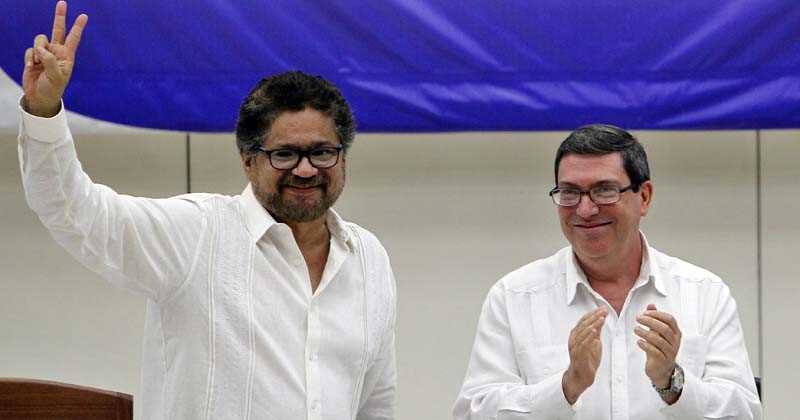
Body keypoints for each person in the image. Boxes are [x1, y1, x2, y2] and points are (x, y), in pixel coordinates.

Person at [18, 2, 396, 419]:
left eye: (322, 152)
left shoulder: (369, 258)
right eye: (285, 154)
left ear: (343, 157)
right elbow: (72, 211)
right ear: (248, 161)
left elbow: (374, 402)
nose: (306, 170)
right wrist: (43, 112)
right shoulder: (196, 234)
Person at [453, 124, 762, 419]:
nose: (585, 210)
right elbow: (474, 412)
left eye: (604, 191)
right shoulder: (514, 297)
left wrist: (672, 382)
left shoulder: (704, 293)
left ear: (644, 197)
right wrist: (566, 387)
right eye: (569, 192)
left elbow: (745, 413)